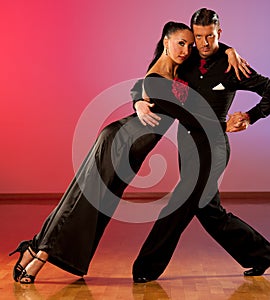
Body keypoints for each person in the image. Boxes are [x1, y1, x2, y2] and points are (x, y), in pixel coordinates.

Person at [9, 21, 246, 285]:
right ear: (166, 42)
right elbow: (186, 116)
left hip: (132, 152)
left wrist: (230, 51)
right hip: (119, 142)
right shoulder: (159, 78)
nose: (186, 49)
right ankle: (37, 255)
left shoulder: (176, 71)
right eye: (181, 43)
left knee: (96, 207)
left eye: (189, 45)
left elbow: (145, 85)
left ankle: (35, 249)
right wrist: (224, 125)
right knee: (83, 202)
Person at [131, 8, 270, 283]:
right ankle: (263, 255)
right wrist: (138, 100)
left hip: (213, 144)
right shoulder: (185, 59)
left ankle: (145, 268)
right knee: (208, 210)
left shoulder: (232, 66)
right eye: (198, 37)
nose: (203, 44)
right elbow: (154, 74)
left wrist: (250, 116)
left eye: (210, 37)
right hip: (187, 143)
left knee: (180, 203)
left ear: (219, 34)